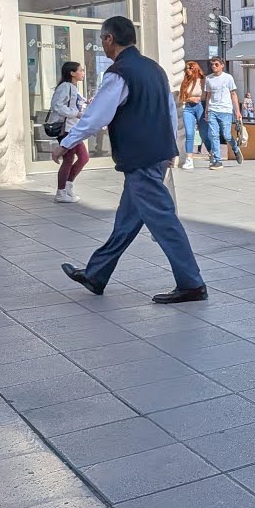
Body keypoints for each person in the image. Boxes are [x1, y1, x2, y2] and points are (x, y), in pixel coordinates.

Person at [56, 16, 207, 305]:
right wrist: (172, 148)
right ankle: (96, 273)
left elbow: (97, 115)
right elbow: (170, 112)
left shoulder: (119, 72)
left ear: (110, 39)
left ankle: (192, 283)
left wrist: (66, 143)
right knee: (126, 221)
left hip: (140, 156)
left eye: (102, 39)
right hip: (156, 153)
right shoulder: (155, 69)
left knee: (163, 220)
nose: (102, 44)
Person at [48, 61, 89, 203]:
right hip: (66, 129)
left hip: (73, 129)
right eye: (80, 70)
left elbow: (76, 106)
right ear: (72, 73)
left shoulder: (73, 88)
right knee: (69, 159)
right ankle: (61, 191)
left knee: (83, 157)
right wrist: (75, 113)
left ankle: (67, 186)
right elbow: (57, 105)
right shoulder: (65, 87)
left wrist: (86, 104)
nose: (83, 73)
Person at [202, 57, 244, 169]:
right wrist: (206, 110)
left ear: (222, 65)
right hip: (212, 110)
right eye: (212, 65)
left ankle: (235, 148)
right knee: (214, 135)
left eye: (216, 64)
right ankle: (217, 160)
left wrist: (237, 111)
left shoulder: (228, 78)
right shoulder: (208, 79)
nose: (214, 66)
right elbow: (208, 95)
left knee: (226, 135)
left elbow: (233, 94)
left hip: (225, 110)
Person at [178, 61, 208, 170]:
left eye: (190, 68)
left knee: (203, 132)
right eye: (186, 68)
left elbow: (207, 95)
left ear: (195, 69)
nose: (188, 70)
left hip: (200, 106)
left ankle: (212, 154)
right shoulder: (185, 82)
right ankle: (189, 159)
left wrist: (200, 99)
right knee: (189, 133)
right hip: (188, 108)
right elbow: (181, 98)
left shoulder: (202, 81)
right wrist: (190, 98)